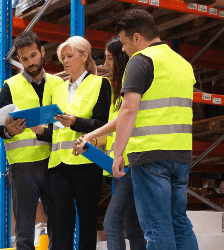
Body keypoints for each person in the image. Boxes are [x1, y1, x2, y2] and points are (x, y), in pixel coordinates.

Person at [74, 9, 198, 250]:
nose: (123, 49)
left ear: (138, 37)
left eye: (124, 42)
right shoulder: (183, 64)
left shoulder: (141, 61)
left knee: (156, 226)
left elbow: (128, 111)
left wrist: (118, 153)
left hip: (150, 156)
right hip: (181, 155)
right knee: (179, 223)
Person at [0, 31, 64, 250]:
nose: (30, 62)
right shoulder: (9, 86)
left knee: (58, 223)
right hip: (22, 166)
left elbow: (67, 125)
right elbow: (0, 129)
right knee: (24, 229)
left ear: (43, 51)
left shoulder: (58, 84)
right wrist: (8, 131)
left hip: (54, 162)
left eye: (34, 55)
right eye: (24, 59)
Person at [46, 36, 113, 250]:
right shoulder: (57, 89)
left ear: (85, 56)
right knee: (60, 222)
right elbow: (54, 129)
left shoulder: (100, 84)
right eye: (62, 57)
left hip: (86, 162)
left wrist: (76, 122)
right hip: (58, 165)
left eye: (69, 56)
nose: (65, 61)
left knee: (87, 220)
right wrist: (40, 130)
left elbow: (101, 123)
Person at [86, 37, 147, 250]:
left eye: (110, 59)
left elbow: (122, 120)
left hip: (130, 164)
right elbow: (116, 127)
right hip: (119, 167)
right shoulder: (118, 91)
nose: (106, 64)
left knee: (112, 223)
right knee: (132, 227)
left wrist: (90, 134)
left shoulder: (129, 92)